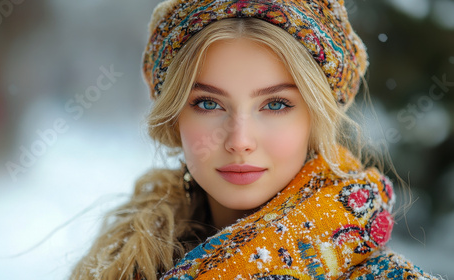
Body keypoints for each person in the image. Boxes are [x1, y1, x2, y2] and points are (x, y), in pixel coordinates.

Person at [69, 1, 440, 279]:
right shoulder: (123, 260)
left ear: (315, 117)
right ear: (174, 116)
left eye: (275, 104)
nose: (239, 140)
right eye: (209, 103)